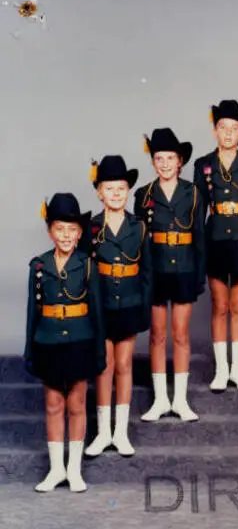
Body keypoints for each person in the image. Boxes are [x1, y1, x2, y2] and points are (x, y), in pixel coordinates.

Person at [24, 193, 105, 492]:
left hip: (81, 340)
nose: (66, 235)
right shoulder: (39, 266)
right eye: (60, 229)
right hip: (47, 341)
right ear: (50, 231)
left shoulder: (87, 265)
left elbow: (96, 310)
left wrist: (98, 351)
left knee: (77, 403)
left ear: (80, 233)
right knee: (53, 403)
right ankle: (56, 469)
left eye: (72, 230)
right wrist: (29, 349)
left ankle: (74, 470)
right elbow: (32, 312)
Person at [134, 128, 206, 422]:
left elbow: (199, 235)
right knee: (157, 335)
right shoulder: (143, 194)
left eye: (170, 158)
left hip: (185, 268)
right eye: (159, 158)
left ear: (180, 161)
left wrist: (199, 275)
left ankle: (180, 400)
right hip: (155, 269)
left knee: (180, 334)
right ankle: (160, 399)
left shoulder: (193, 192)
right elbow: (138, 240)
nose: (164, 163)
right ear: (153, 162)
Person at [85, 156, 152, 457]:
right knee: (104, 366)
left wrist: (144, 306)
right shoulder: (89, 228)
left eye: (121, 188)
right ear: (99, 192)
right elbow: (83, 271)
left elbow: (148, 271)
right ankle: (102, 433)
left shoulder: (139, 227)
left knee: (124, 365)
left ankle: (121, 433)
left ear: (128, 192)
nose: (115, 194)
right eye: (109, 188)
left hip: (129, 302)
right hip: (101, 306)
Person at [194, 100, 238, 392]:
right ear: (214, 131)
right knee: (220, 305)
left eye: (234, 128)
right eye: (222, 127)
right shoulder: (203, 165)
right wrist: (198, 249)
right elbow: (198, 213)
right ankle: (221, 369)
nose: (228, 133)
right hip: (216, 238)